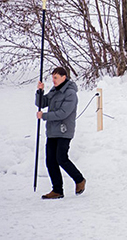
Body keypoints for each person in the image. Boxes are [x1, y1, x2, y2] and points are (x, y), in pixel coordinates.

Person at [35, 67, 85, 199]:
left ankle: (79, 179)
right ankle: (57, 190)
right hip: (52, 131)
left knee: (61, 158)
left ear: (64, 77)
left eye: (56, 78)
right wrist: (40, 92)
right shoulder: (54, 90)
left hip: (64, 130)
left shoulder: (70, 93)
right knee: (50, 161)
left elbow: (64, 113)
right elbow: (41, 103)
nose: (54, 81)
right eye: (52, 78)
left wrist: (44, 116)